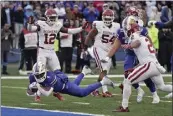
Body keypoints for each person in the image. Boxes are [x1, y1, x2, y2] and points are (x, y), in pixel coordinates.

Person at [111, 16, 172, 112]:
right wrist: (135, 67)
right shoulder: (143, 36)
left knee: (127, 81)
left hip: (149, 65)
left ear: (129, 27)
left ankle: (124, 107)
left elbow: (138, 43)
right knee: (162, 87)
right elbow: (144, 54)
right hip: (154, 65)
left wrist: (129, 45)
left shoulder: (135, 36)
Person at [27, 8, 88, 100]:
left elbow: (69, 31)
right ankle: (37, 95)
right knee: (40, 73)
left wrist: (81, 28)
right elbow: (31, 29)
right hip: (42, 51)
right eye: (51, 18)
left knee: (58, 72)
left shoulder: (57, 25)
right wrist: (29, 23)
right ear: (47, 17)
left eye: (54, 18)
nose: (53, 20)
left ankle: (56, 92)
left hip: (51, 51)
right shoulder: (41, 24)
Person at [102, 7, 159, 103]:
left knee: (145, 75)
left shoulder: (141, 29)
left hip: (141, 54)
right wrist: (107, 57)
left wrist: (152, 51)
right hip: (131, 54)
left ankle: (154, 94)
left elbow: (148, 40)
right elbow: (115, 47)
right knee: (128, 74)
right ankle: (139, 90)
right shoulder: (121, 31)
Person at [26, 62, 115, 100]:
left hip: (64, 85)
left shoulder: (50, 77)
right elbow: (28, 93)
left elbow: (47, 93)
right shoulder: (32, 77)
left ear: (44, 71)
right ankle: (84, 71)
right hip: (59, 85)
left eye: (40, 74)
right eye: (37, 75)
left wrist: (37, 86)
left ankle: (103, 82)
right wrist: (33, 90)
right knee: (75, 84)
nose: (39, 77)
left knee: (82, 93)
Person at [84, 9, 120, 97]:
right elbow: (90, 35)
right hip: (99, 48)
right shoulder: (99, 25)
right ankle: (105, 91)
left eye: (109, 19)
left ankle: (94, 89)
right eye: (106, 19)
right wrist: (85, 47)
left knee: (104, 72)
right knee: (103, 69)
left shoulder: (117, 26)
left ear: (112, 18)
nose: (107, 21)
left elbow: (117, 39)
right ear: (103, 18)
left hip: (108, 51)